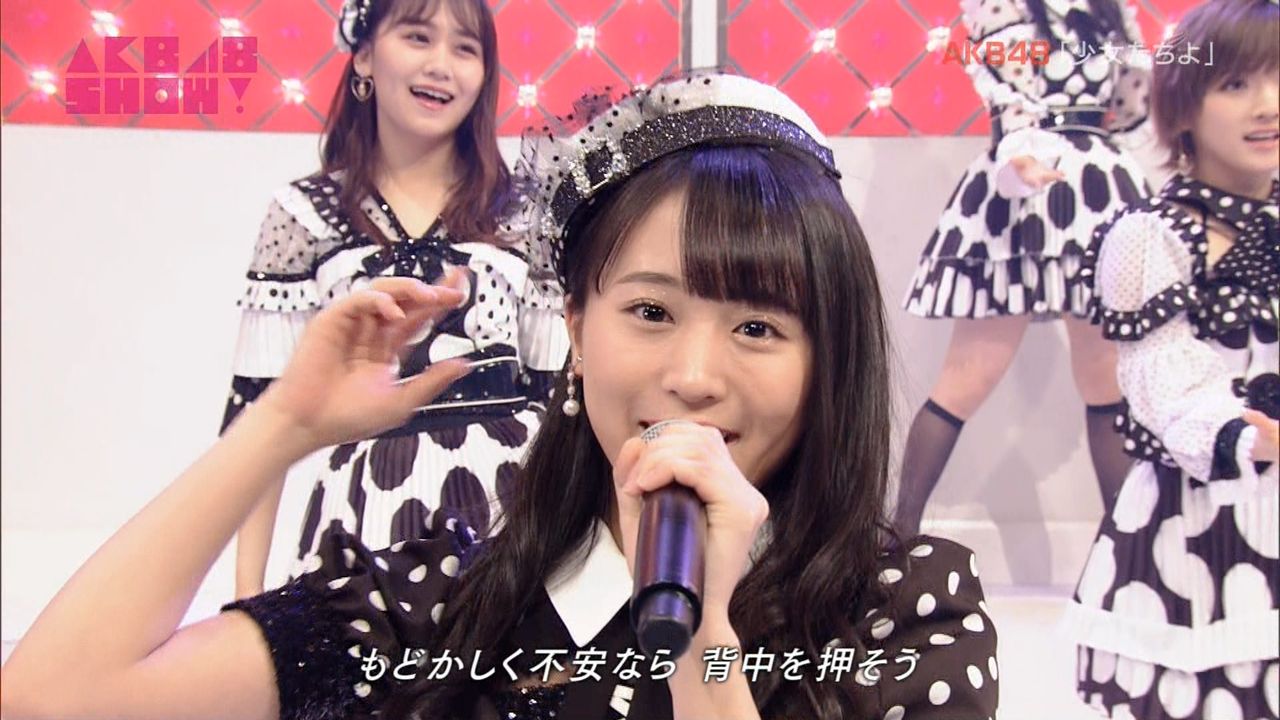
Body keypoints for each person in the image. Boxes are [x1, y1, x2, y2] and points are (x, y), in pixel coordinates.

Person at [1, 72, 1000, 720]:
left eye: (758, 328)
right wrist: (283, 427)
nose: (695, 374)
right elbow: (57, 698)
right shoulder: (444, 602)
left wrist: (705, 636)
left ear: (828, 361)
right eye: (650, 311)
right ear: (575, 329)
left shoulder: (905, 614)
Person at [225, 0, 568, 598]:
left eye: (465, 48)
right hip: (362, 521)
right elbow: (258, 420)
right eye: (417, 37)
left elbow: (561, 402)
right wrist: (246, 597)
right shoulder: (304, 214)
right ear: (364, 56)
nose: (441, 65)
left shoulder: (525, 211)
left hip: (507, 520)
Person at [1060, 1, 1279, 716]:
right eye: (1237, 84)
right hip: (1200, 521)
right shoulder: (1150, 236)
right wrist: (1241, 434)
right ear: (1183, 107)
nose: (1268, 105)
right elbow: (1158, 371)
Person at [895, 0, 1153, 536]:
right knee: (968, 375)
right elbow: (1009, 101)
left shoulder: (1111, 10)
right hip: (1024, 188)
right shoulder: (1002, 6)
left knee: (1105, 377)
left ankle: (1125, 548)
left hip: (1099, 191)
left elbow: (1133, 105)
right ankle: (898, 536)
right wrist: (1019, 162)